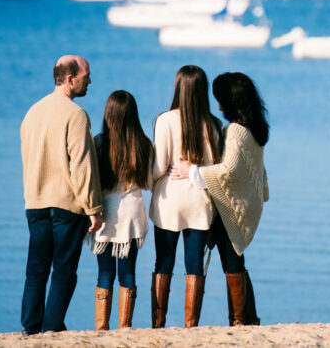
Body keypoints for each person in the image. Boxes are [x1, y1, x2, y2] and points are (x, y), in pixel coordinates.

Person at [171, 71, 269, 326]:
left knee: (231, 258)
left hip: (233, 206)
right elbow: (257, 169)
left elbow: (230, 170)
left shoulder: (235, 131)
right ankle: (248, 318)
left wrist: (191, 171)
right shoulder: (255, 127)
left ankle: (237, 320)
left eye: (220, 98)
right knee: (236, 259)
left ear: (229, 102)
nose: (216, 104)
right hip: (248, 203)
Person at [19, 55, 104, 334]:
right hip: (66, 205)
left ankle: (31, 326)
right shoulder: (75, 115)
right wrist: (93, 208)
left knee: (36, 269)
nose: (90, 81)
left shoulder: (32, 112)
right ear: (70, 79)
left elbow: (27, 158)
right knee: (64, 270)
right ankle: (53, 326)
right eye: (86, 76)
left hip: (36, 202)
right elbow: (82, 165)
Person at [148, 65, 224, 328]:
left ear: (178, 88)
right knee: (194, 266)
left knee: (164, 262)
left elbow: (158, 168)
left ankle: (158, 323)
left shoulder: (165, 120)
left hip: (169, 201)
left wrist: (147, 180)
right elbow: (215, 168)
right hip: (199, 202)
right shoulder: (213, 124)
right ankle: (191, 325)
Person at [91, 90, 153, 330]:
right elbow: (148, 182)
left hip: (105, 215)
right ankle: (125, 326)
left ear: (108, 115)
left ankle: (101, 327)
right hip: (132, 216)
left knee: (104, 273)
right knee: (128, 274)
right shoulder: (144, 145)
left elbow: (91, 179)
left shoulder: (98, 142)